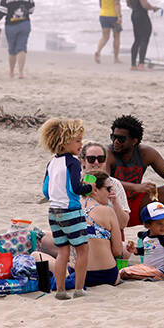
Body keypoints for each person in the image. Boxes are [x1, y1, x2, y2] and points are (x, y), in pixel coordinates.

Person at [38, 118, 92, 299]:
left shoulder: (51, 163)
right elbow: (77, 188)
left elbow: (45, 189)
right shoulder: (74, 163)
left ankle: (60, 290)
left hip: (53, 212)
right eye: (77, 140)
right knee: (83, 249)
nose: (81, 144)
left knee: (63, 251)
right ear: (65, 141)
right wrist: (88, 188)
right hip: (71, 211)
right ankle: (78, 289)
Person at [106, 115, 164, 228]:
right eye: (113, 137)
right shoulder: (107, 153)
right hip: (113, 206)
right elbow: (104, 181)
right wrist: (136, 187)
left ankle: (159, 235)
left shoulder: (146, 153)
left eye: (121, 139)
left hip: (136, 204)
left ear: (134, 141)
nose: (116, 142)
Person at [81, 171, 124, 287]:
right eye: (108, 189)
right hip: (108, 275)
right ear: (95, 190)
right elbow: (117, 251)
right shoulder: (108, 211)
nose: (111, 193)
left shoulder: (71, 208)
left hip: (80, 276)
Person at [120, 201, 164, 280]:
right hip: (146, 267)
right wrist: (135, 250)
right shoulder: (146, 236)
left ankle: (151, 278)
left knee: (126, 274)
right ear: (148, 225)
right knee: (121, 272)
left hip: (158, 271)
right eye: (159, 223)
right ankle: (145, 276)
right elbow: (148, 250)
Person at [79, 142, 130, 230]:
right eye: (91, 159)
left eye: (100, 158)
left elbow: (123, 224)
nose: (96, 162)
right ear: (83, 161)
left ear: (105, 160)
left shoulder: (114, 184)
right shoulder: (74, 182)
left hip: (110, 232)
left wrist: (114, 202)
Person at [0, 0, 35, 79]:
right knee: (22, 48)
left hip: (11, 26)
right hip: (25, 24)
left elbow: (2, 13)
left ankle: (11, 72)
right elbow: (32, 10)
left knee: (12, 49)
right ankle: (21, 73)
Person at [126, 0, 160, 71]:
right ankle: (141, 64)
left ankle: (133, 65)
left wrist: (135, 8)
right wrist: (153, 8)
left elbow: (128, 3)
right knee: (144, 38)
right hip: (142, 16)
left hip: (134, 14)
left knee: (137, 39)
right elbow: (144, 5)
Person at [95, 0, 122, 64]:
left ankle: (98, 51)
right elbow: (117, 4)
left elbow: (100, 4)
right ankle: (116, 58)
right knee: (116, 37)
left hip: (103, 15)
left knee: (105, 37)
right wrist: (119, 16)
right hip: (113, 16)